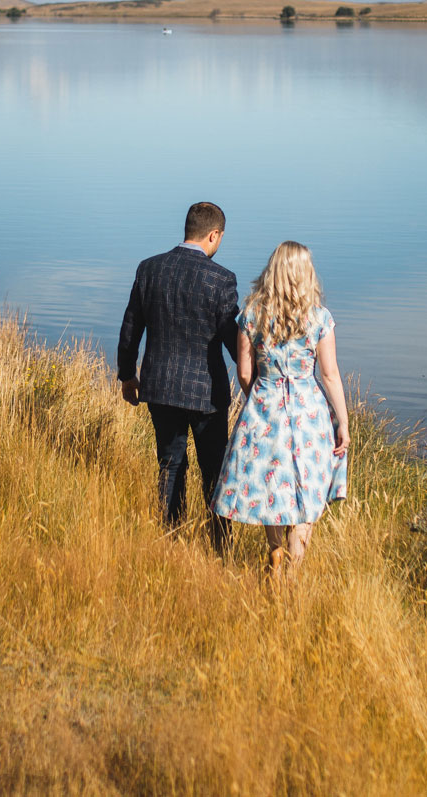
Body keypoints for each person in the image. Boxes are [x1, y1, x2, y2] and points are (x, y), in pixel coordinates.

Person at [214, 241, 349, 577]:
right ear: (306, 274)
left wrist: (258, 397)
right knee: (308, 493)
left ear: (271, 271)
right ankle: (291, 573)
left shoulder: (251, 314)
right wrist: (343, 422)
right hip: (309, 414)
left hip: (264, 405)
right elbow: (330, 375)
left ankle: (275, 551)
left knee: (271, 489)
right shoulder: (319, 317)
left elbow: (245, 372)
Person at [116, 201, 241, 550]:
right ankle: (220, 547)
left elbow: (131, 328)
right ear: (214, 235)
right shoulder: (221, 279)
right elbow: (234, 340)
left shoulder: (149, 269)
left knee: (170, 465)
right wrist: (253, 379)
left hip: (159, 386)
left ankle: (172, 541)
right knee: (215, 471)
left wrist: (127, 374)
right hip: (206, 392)